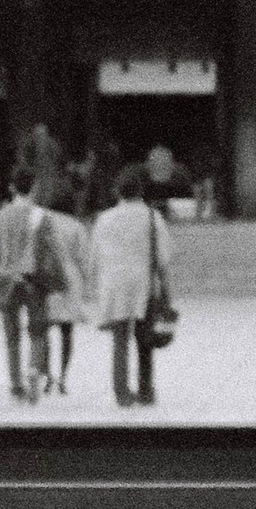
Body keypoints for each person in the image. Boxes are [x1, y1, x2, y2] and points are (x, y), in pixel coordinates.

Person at [90, 165, 171, 407]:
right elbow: (163, 258)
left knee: (120, 341)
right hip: (143, 283)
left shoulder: (104, 219)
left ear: (118, 192)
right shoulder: (152, 217)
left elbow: (94, 257)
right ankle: (146, 391)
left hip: (114, 285)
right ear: (141, 192)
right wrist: (166, 288)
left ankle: (122, 393)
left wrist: (95, 286)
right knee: (145, 340)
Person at [0, 165, 62, 403]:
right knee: (37, 332)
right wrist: (58, 279)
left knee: (12, 336)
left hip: (8, 280)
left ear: (11, 188)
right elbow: (52, 251)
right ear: (34, 187)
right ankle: (34, 370)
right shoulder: (43, 217)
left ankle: (16, 384)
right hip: (34, 280)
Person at [42, 200, 96, 395]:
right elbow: (84, 259)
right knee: (67, 332)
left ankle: (47, 377)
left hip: (48, 278)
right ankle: (63, 378)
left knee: (44, 332)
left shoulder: (43, 222)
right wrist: (89, 287)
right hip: (70, 279)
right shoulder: (76, 226)